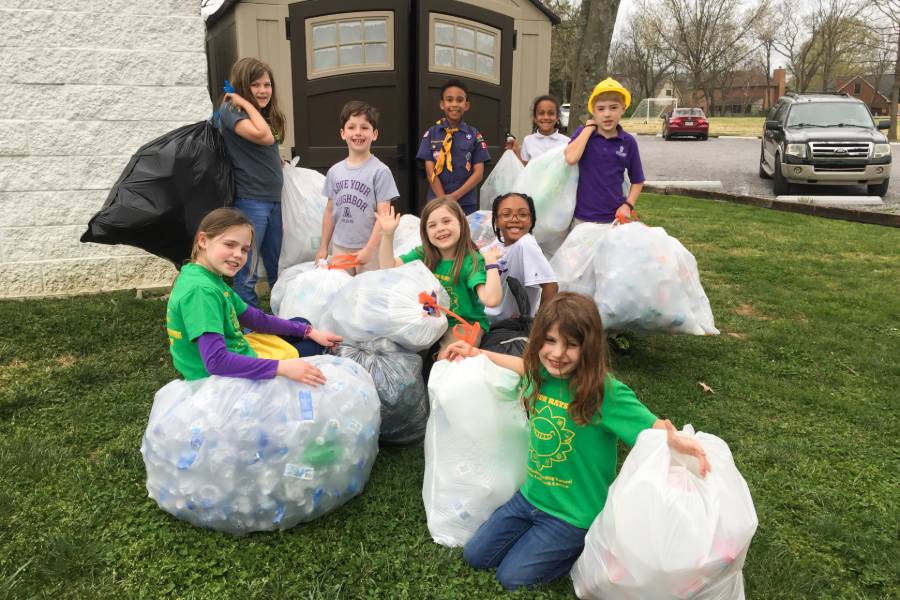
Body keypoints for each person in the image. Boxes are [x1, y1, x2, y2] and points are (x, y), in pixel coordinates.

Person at [443, 292, 710, 591]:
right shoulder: (541, 374)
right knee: (475, 556)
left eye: (571, 345)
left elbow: (651, 428)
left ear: (589, 347)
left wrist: (676, 440)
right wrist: (480, 354)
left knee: (512, 579)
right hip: (530, 497)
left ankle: (582, 546)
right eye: (550, 341)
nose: (557, 353)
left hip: (572, 516)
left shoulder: (605, 393)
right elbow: (521, 366)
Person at [166, 208, 342, 385]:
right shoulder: (201, 290)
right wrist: (281, 368)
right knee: (313, 346)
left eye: (244, 249)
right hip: (216, 381)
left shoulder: (203, 276)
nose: (238, 254)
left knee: (303, 325)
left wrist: (307, 331)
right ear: (203, 241)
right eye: (229, 244)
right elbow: (216, 362)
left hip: (234, 351)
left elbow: (256, 319)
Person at [376, 196, 502, 355]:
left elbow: (491, 300)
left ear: (461, 223)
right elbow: (388, 267)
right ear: (425, 232)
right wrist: (387, 235)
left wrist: (491, 263)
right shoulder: (424, 253)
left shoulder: (471, 260)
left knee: (450, 357)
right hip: (430, 319)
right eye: (432, 225)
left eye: (446, 221)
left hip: (464, 324)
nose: (440, 228)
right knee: (388, 346)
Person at [219, 57, 287, 307]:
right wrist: (241, 101)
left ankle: (282, 316)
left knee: (276, 264)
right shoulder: (231, 110)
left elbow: (266, 144)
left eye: (267, 85)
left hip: (273, 201)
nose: (263, 91)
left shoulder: (259, 114)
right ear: (242, 86)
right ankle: (249, 327)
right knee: (246, 269)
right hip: (250, 201)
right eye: (255, 85)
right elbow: (264, 136)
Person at [315, 101, 400, 275]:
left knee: (366, 296)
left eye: (364, 127)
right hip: (340, 248)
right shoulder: (334, 171)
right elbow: (330, 211)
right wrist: (323, 247)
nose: (358, 133)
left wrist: (369, 250)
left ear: (374, 134)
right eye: (352, 127)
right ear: (343, 133)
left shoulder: (380, 172)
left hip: (371, 249)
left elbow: (383, 218)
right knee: (341, 294)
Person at [564, 77, 644, 229]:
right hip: (582, 219)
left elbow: (638, 180)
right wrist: (588, 128)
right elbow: (570, 158)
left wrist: (628, 205)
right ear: (593, 111)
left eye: (613, 108)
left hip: (614, 219)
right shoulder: (584, 134)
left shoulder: (628, 142)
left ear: (623, 108)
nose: (607, 114)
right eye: (600, 109)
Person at [417, 79, 491, 216]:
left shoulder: (474, 135)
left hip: (466, 203)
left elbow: (478, 173)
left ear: (466, 105)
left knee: (465, 234)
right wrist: (443, 200)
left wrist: (454, 197)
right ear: (442, 104)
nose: (454, 104)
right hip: (436, 201)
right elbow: (430, 171)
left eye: (460, 100)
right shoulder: (431, 134)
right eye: (449, 100)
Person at [483, 192, 557, 323]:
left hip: (507, 329)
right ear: (496, 221)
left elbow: (550, 286)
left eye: (523, 214)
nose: (515, 219)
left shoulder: (525, 243)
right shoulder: (498, 243)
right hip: (486, 320)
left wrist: (539, 326)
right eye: (506, 214)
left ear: (531, 220)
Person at [517, 95, 570, 165]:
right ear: (535, 118)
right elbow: (524, 168)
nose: (546, 117)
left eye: (551, 113)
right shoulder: (528, 141)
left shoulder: (567, 142)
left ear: (557, 117)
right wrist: (516, 152)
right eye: (541, 113)